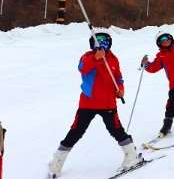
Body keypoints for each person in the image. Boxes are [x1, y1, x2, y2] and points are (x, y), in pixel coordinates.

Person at [49, 32, 140, 178]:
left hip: (108, 103)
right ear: (92, 44)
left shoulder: (113, 59)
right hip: (88, 103)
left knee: (116, 129)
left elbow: (118, 77)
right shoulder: (87, 56)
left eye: (105, 42)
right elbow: (82, 68)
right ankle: (56, 162)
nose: (102, 44)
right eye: (98, 42)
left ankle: (131, 155)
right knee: (76, 131)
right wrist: (96, 58)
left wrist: (121, 89)